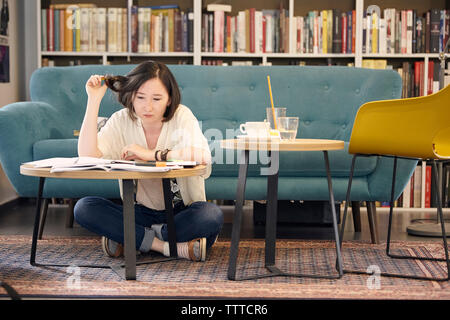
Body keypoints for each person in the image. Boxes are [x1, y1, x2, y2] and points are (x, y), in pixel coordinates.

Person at [74, 61, 223, 262]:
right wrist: (93, 101)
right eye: (140, 97)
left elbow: (203, 156)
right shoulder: (121, 120)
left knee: (210, 216)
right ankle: (164, 246)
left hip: (181, 212)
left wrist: (151, 154)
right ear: (131, 95)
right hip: (139, 212)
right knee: (85, 208)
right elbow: (87, 156)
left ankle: (132, 238)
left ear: (169, 99)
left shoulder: (182, 116)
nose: (148, 106)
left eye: (157, 98)